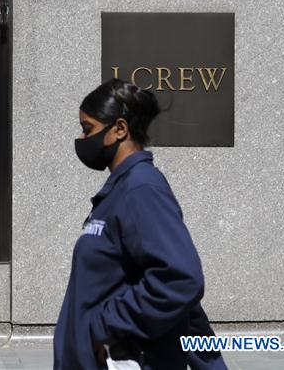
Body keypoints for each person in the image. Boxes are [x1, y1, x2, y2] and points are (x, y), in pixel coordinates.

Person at [54, 79, 226, 369]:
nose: (82, 140)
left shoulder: (141, 189)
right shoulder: (121, 189)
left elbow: (180, 278)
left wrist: (104, 326)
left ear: (120, 129)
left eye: (88, 129)